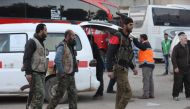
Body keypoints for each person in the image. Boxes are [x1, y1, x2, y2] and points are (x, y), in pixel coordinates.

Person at [106, 13, 138, 109]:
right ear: (124, 25)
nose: (132, 27)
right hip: (119, 69)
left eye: (132, 24)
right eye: (130, 25)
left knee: (120, 95)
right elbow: (109, 54)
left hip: (125, 69)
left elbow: (126, 56)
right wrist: (109, 69)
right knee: (128, 93)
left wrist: (133, 67)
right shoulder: (117, 36)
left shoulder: (128, 38)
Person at [46, 30, 78, 109]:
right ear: (68, 36)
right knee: (59, 95)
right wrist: (62, 72)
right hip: (64, 75)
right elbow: (57, 59)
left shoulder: (71, 46)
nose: (74, 37)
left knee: (73, 95)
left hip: (70, 75)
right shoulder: (62, 46)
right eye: (73, 36)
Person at [23, 23, 48, 109]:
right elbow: (27, 58)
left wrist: (44, 72)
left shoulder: (41, 42)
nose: (46, 32)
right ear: (40, 31)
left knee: (36, 94)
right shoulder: (32, 42)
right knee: (40, 94)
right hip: (34, 73)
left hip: (41, 73)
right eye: (45, 30)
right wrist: (28, 73)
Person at [132, 34, 155, 99]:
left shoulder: (145, 44)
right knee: (150, 80)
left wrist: (134, 40)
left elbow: (139, 45)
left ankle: (146, 95)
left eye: (140, 38)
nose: (139, 39)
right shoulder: (147, 44)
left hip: (146, 64)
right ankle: (151, 94)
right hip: (150, 64)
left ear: (142, 38)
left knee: (146, 80)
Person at [171, 32, 190, 101]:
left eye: (186, 38)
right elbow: (173, 58)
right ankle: (175, 95)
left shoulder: (187, 46)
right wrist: (175, 67)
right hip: (179, 69)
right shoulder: (176, 48)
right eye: (185, 38)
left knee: (188, 82)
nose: (186, 40)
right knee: (178, 83)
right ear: (180, 39)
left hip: (187, 68)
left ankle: (188, 95)